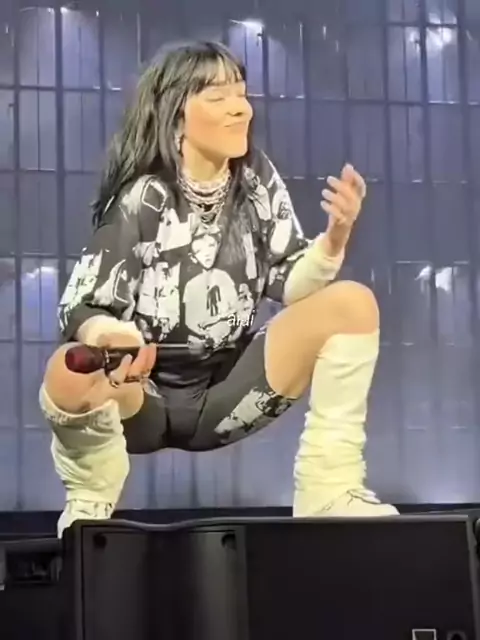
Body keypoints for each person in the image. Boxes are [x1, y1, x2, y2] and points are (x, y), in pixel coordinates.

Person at [40, 41, 398, 537]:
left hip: (227, 394)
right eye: (217, 97)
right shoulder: (144, 197)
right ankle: (89, 500)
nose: (240, 108)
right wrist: (115, 340)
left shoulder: (255, 180)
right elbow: (82, 310)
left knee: (353, 304)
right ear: (177, 117)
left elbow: (289, 282)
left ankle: (330, 488)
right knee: (67, 372)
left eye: (242, 94)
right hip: (142, 399)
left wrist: (334, 238)